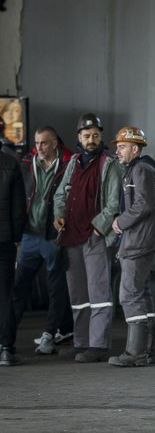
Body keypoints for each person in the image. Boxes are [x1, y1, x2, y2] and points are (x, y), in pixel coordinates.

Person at [53, 112, 123, 363]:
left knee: (99, 292)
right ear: (79, 138)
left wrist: (98, 228)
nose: (91, 139)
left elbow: (114, 203)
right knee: (79, 295)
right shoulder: (73, 163)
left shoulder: (109, 164)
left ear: (101, 136)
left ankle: (98, 345)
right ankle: (81, 341)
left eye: (95, 135)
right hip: (71, 236)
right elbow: (60, 195)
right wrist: (58, 216)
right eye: (86, 136)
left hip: (94, 237)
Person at [108, 126, 155, 367]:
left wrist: (120, 222)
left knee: (130, 294)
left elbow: (145, 204)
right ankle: (146, 349)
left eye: (122, 147)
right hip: (141, 241)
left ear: (135, 148)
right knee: (141, 293)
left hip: (138, 242)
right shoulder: (138, 169)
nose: (118, 151)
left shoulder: (141, 169)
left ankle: (136, 353)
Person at [12, 126, 74, 355]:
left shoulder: (68, 166)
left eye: (44, 143)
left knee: (56, 287)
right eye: (37, 143)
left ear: (55, 143)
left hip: (52, 235)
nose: (39, 147)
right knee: (18, 286)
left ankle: (50, 333)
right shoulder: (27, 164)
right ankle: (6, 335)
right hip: (29, 235)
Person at [0, 139, 27, 366]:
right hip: (4, 240)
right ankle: (6, 349)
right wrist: (17, 238)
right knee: (5, 294)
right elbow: (19, 208)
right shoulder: (10, 162)